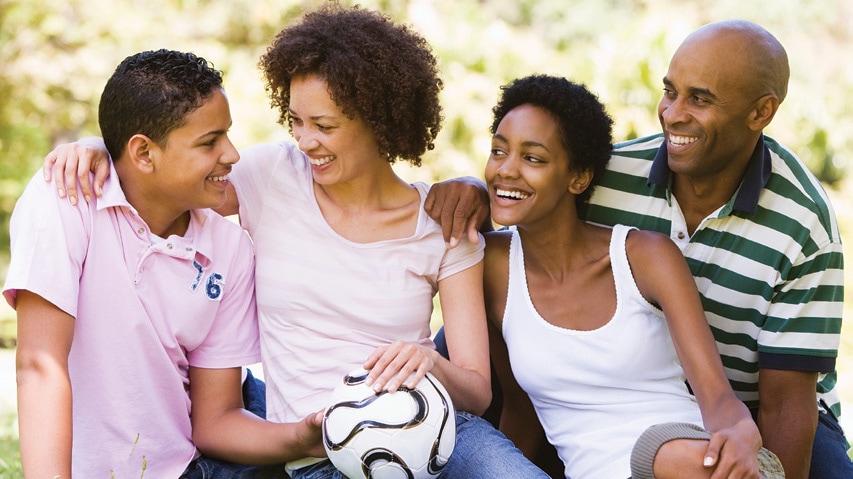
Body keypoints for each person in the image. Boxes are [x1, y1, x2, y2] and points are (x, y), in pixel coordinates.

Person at [40, 5, 550, 479]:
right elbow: (169, 171)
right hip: (321, 453)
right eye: (296, 121)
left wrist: (430, 363)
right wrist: (98, 147)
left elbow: (478, 393)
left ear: (380, 120)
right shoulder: (268, 175)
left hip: (441, 429)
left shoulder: (443, 223)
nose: (305, 141)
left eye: (323, 126)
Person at [430, 19, 850, 479]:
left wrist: (740, 434)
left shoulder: (803, 224)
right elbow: (528, 180)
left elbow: (785, 400)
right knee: (458, 335)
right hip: (607, 425)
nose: (672, 114)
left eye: (700, 99)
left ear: (760, 112)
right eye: (670, 92)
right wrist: (472, 192)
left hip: (739, 407)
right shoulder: (611, 173)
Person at [4, 49, 325, 478]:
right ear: (143, 153)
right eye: (209, 142)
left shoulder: (228, 246)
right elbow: (39, 366)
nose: (232, 154)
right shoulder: (65, 201)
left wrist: (302, 437)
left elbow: (216, 419)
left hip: (198, 461)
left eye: (226, 135)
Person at [482, 73, 787, 479]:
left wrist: (740, 432)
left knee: (670, 457)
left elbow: (716, 398)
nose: (507, 171)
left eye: (533, 158)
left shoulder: (645, 256)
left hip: (693, 457)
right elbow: (521, 413)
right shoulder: (490, 267)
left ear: (579, 178)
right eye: (498, 152)